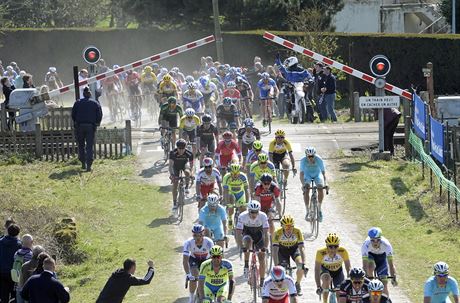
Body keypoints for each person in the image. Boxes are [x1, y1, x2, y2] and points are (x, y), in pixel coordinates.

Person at [236, 200, 269, 287]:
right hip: (247, 232)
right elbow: (238, 233)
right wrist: (241, 246)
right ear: (248, 211)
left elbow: (266, 233)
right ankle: (246, 264)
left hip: (259, 234)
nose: (254, 215)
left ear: (259, 211)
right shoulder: (242, 216)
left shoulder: (263, 216)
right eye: (252, 212)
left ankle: (262, 281)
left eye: (256, 212)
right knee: (247, 242)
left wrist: (265, 246)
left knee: (262, 258)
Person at [272, 215, 307, 295]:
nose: (289, 229)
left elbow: (302, 248)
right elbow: (275, 250)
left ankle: (297, 284)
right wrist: (276, 265)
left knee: (300, 265)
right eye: (286, 227)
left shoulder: (297, 231)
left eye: (291, 227)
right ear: (282, 227)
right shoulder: (278, 233)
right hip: (282, 251)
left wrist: (304, 263)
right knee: (283, 269)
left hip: (294, 249)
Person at [71, 87, 103, 172]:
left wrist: (76, 123)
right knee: (89, 145)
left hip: (80, 126)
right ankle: (89, 164)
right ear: (90, 94)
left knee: (81, 145)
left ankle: (83, 163)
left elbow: (73, 114)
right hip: (90, 126)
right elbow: (99, 114)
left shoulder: (77, 103)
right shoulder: (95, 103)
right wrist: (97, 123)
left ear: (83, 94)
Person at [315, 233, 351, 303]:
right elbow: (317, 270)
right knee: (326, 280)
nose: (333, 249)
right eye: (330, 246)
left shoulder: (343, 251)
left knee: (340, 294)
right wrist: (318, 286)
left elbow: (348, 266)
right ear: (327, 246)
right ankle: (325, 301)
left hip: (338, 272)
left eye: (335, 246)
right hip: (325, 270)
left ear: (338, 246)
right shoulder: (320, 253)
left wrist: (349, 276)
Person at [183, 224, 214, 303]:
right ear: (193, 235)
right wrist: (188, 274)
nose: (197, 238)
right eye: (195, 235)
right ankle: (191, 298)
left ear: (203, 234)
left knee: (206, 277)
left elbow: (214, 258)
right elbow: (185, 260)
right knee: (194, 276)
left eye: (199, 235)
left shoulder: (209, 242)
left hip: (206, 260)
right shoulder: (188, 242)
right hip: (194, 259)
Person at [362, 227, 397, 296]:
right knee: (370, 267)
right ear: (370, 239)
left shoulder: (387, 245)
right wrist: (366, 278)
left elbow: (391, 264)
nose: (375, 243)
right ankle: (371, 286)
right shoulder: (365, 245)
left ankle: (386, 299)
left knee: (384, 286)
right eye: (372, 240)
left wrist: (393, 277)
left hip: (382, 258)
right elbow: (364, 265)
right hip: (370, 256)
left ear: (380, 239)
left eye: (377, 240)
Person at [299, 146, 327, 221]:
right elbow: (301, 174)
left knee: (320, 187)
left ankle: (319, 209)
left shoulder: (319, 159)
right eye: (309, 156)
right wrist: (303, 185)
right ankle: (307, 211)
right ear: (306, 156)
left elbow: (323, 173)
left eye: (312, 156)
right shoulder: (303, 160)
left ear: (314, 155)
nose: (310, 158)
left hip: (317, 175)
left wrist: (326, 184)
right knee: (306, 189)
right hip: (307, 175)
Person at [222, 163, 249, 231]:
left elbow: (246, 190)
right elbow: (225, 191)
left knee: (243, 210)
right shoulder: (226, 177)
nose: (235, 175)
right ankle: (230, 217)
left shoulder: (243, 176)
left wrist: (247, 202)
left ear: (239, 172)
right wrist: (228, 203)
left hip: (240, 193)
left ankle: (242, 224)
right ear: (230, 172)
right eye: (233, 173)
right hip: (231, 193)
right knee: (231, 202)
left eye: (236, 173)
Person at [169, 138, 194, 209]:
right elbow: (170, 166)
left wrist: (191, 174)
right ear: (177, 147)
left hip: (184, 164)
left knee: (187, 171)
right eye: (179, 148)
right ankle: (174, 203)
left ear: (185, 148)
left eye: (183, 148)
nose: (181, 150)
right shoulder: (172, 153)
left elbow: (192, 166)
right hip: (175, 167)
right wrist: (172, 175)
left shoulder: (189, 153)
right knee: (175, 185)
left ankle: (186, 187)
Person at [0, 223, 22, 303]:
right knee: (14, 295)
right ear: (18, 233)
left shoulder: (1, 242)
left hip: (1, 271)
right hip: (14, 273)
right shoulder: (19, 244)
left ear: (8, 231)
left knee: (3, 295)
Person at [12, 234, 34, 303]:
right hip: (27, 284)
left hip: (18, 283)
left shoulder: (16, 253)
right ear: (32, 242)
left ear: (22, 242)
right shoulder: (31, 255)